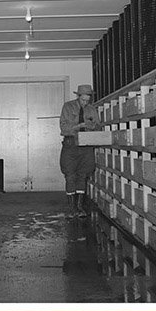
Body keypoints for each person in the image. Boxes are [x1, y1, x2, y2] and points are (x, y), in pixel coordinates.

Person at [59, 83, 100, 217]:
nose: (85, 102)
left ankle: (80, 207)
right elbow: (64, 128)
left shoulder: (92, 109)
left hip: (86, 146)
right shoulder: (68, 107)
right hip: (70, 145)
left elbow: (97, 126)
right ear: (78, 96)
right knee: (70, 176)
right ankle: (71, 208)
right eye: (83, 100)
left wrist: (92, 127)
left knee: (83, 176)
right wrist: (79, 126)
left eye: (88, 100)